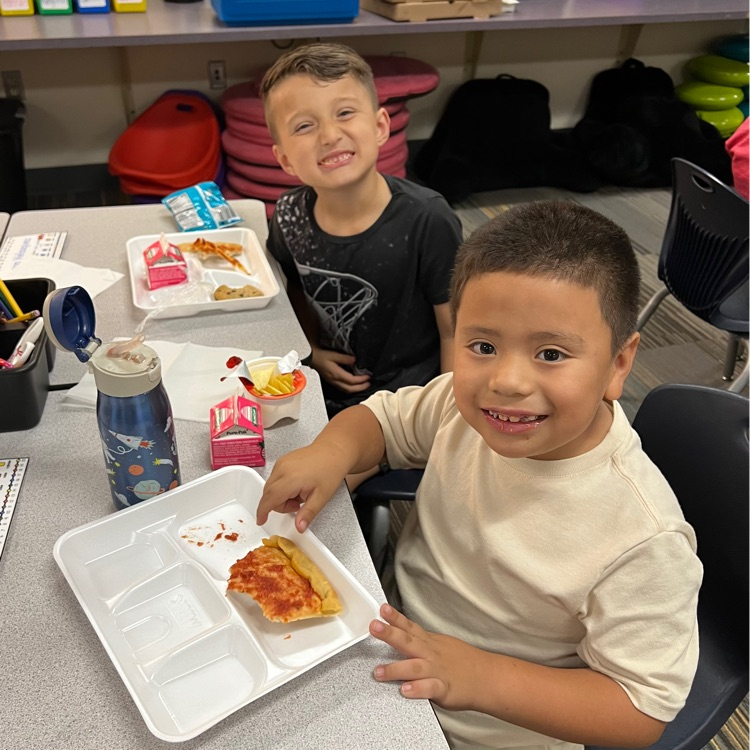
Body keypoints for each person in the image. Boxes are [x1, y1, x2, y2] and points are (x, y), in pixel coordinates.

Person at [256, 201, 703, 750]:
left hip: (484, 730)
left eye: (551, 353)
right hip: (381, 644)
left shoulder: (643, 538)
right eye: (483, 346)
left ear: (618, 364)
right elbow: (382, 420)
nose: (507, 381)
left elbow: (640, 711)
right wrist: (330, 451)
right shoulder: (462, 408)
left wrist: (480, 677)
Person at [260, 43, 462, 421]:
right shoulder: (288, 215)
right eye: (304, 125)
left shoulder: (428, 219)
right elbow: (295, 291)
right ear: (285, 159)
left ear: (380, 125)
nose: (329, 135)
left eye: (345, 113)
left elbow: (455, 331)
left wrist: (447, 419)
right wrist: (311, 353)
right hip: (322, 394)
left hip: (409, 406)